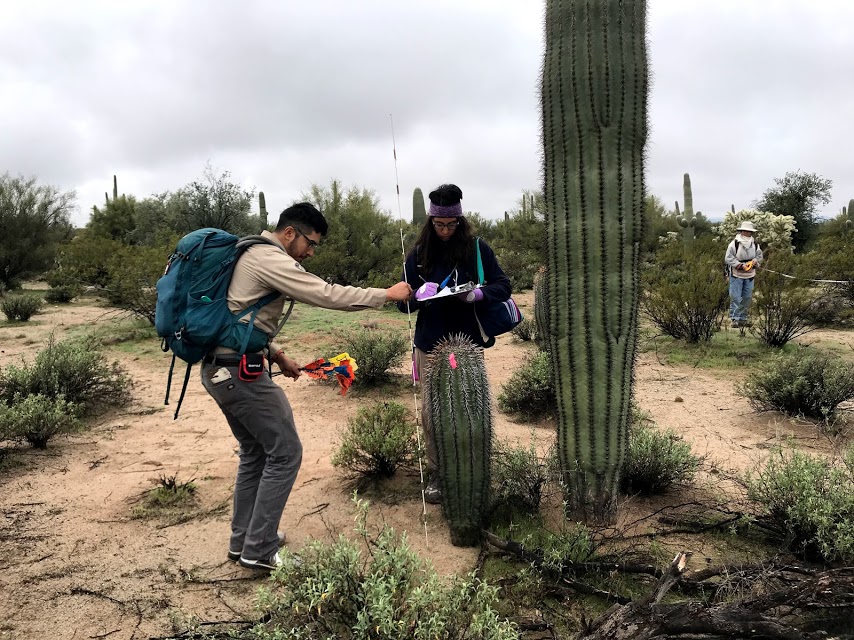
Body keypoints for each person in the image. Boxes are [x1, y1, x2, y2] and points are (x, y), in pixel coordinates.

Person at [201, 202, 412, 571]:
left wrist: (277, 354)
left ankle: (244, 542)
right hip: (239, 375)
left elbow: (238, 315)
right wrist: (385, 295)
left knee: (256, 452)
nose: (311, 251)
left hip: (225, 368)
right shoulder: (270, 258)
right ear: (289, 233)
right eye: (310, 243)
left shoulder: (248, 252)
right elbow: (326, 294)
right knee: (285, 452)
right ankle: (260, 549)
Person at [398, 184, 511, 503]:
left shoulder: (477, 249)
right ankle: (438, 475)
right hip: (429, 344)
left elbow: (503, 285)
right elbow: (403, 305)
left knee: (469, 409)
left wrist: (477, 294)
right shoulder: (418, 254)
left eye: (451, 224)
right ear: (430, 222)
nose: (445, 231)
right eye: (439, 224)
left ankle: (472, 470)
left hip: (467, 345)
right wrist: (418, 296)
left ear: (460, 221)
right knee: (433, 413)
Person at [724, 220, 763, 328]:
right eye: (745, 231)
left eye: (749, 231)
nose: (747, 233)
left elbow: (759, 256)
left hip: (750, 275)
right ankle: (735, 319)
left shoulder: (755, 244)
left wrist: (755, 261)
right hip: (736, 274)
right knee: (735, 297)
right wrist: (740, 265)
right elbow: (728, 258)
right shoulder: (734, 243)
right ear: (742, 231)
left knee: (747, 297)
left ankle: (743, 319)